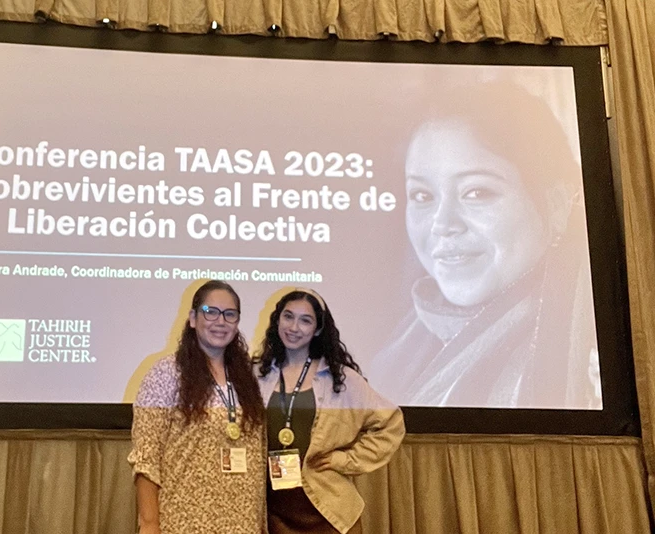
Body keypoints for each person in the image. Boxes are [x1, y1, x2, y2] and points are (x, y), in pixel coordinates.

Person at [370, 81, 602, 409]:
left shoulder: (606, 353)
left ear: (559, 203)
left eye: (477, 192)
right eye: (422, 195)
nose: (442, 225)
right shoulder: (396, 350)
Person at [256, 288, 405, 534]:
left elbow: (391, 424)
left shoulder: (341, 379)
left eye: (305, 320)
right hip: (271, 516)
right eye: (288, 316)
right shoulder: (257, 375)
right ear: (277, 319)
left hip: (327, 515)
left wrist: (344, 460)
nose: (294, 327)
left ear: (317, 329)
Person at [128, 280, 265, 534]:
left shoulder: (249, 379)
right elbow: (146, 458)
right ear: (192, 318)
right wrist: (149, 524)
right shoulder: (166, 373)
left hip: (242, 522)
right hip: (184, 522)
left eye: (230, 314)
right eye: (210, 312)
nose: (220, 321)